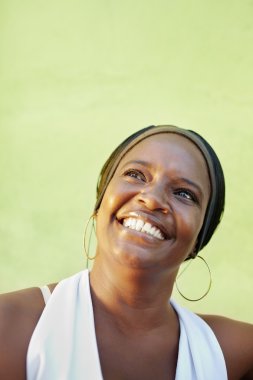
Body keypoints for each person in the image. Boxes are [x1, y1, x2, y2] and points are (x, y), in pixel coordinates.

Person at [0, 125, 252, 380]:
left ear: (200, 237)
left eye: (184, 194)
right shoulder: (9, 327)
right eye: (135, 174)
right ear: (101, 200)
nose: (152, 199)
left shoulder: (234, 355)